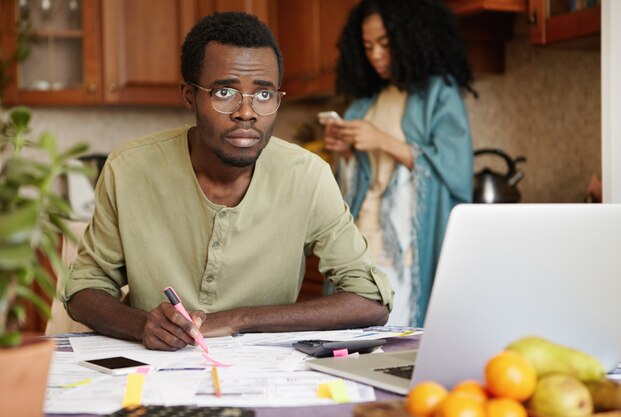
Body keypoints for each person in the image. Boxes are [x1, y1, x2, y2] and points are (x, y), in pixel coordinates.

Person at [63, 12, 393, 351]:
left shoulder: (307, 175)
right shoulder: (129, 167)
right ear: (189, 95)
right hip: (152, 365)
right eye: (224, 92)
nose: (247, 113)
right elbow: (83, 290)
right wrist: (142, 325)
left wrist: (240, 319)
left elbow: (371, 301)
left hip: (268, 374)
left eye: (264, 95)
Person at [323, 0, 475, 327]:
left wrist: (382, 141)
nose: (375, 55)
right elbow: (357, 182)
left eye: (385, 45)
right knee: (354, 342)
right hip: (362, 243)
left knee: (399, 340)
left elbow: (456, 169)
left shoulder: (438, 93)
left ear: (410, 40)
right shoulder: (365, 104)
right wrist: (346, 154)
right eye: (367, 46)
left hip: (407, 250)